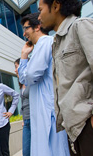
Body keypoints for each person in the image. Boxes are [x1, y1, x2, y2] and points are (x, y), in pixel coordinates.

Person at [38, 0, 93, 155]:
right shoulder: (57, 42)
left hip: (87, 127)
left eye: (40, 10)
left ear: (55, 5)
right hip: (74, 130)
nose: (38, 16)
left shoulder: (81, 26)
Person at [18, 12, 69, 156]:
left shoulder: (45, 42)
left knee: (52, 149)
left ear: (37, 27)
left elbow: (29, 76)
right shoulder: (42, 45)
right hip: (44, 108)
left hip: (47, 109)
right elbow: (25, 78)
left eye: (26, 28)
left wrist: (23, 57)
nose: (24, 33)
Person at [14, 58, 30, 156]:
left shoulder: (32, 81)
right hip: (27, 121)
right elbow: (23, 102)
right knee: (26, 151)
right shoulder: (21, 84)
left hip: (36, 119)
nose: (15, 70)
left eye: (16, 67)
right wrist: (23, 119)